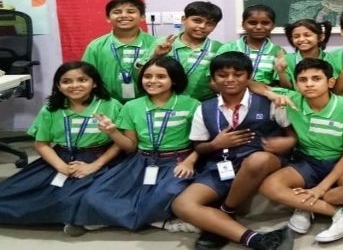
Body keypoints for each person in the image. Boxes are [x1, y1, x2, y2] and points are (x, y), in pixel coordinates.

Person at [171, 51, 294, 250]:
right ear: (213, 79)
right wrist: (215, 144)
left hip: (263, 161)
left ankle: (226, 211)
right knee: (182, 204)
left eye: (238, 74)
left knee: (258, 160)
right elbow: (199, 147)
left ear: (249, 77)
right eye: (222, 75)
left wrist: (286, 142)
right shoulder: (205, 108)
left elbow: (292, 136)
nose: (230, 79)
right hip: (221, 165)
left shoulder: (270, 102)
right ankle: (257, 240)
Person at [74, 57, 199, 232]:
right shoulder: (132, 106)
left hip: (177, 161)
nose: (152, 81)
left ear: (175, 80)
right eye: (147, 76)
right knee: (95, 194)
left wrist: (189, 162)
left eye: (161, 76)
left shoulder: (192, 104)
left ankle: (117, 219)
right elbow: (130, 146)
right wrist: (113, 132)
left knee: (166, 194)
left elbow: (203, 143)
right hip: (141, 161)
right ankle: (157, 222)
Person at [0, 62, 121, 234]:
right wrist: (62, 167)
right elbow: (42, 144)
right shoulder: (50, 109)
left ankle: (78, 220)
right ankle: (70, 217)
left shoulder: (111, 105)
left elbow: (120, 142)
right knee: (14, 192)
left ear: (94, 83)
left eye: (82, 80)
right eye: (66, 81)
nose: (74, 85)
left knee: (80, 193)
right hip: (60, 157)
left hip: (100, 157)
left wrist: (94, 166)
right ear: (58, 86)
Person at [260, 58, 343, 243]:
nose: (309, 84)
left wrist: (321, 188)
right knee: (269, 186)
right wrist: (270, 94)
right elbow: (252, 84)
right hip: (308, 161)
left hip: (342, 161)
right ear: (296, 84)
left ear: (330, 82)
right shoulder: (292, 99)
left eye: (316, 78)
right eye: (303, 80)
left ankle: (305, 203)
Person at [82, 0, 155, 102]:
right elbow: (86, 77)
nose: (124, 15)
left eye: (131, 11)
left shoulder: (155, 44)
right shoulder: (96, 47)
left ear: (142, 17)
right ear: (108, 18)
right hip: (107, 103)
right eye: (117, 12)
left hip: (147, 103)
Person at [148, 1, 223, 101]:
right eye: (197, 21)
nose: (202, 26)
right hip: (166, 101)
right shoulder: (162, 43)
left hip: (204, 101)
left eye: (210, 24)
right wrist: (156, 56)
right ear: (183, 19)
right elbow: (142, 74)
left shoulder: (218, 48)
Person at [218, 4, 284, 85]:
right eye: (252, 23)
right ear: (243, 25)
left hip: (265, 91)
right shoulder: (228, 48)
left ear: (273, 26)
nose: (259, 27)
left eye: (265, 23)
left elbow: (281, 84)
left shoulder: (278, 52)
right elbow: (214, 81)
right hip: (230, 90)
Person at [275, 18, 333, 89]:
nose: (301, 39)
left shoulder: (331, 58)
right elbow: (287, 89)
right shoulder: (287, 59)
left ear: (321, 37)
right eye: (296, 36)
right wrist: (281, 72)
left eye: (307, 35)